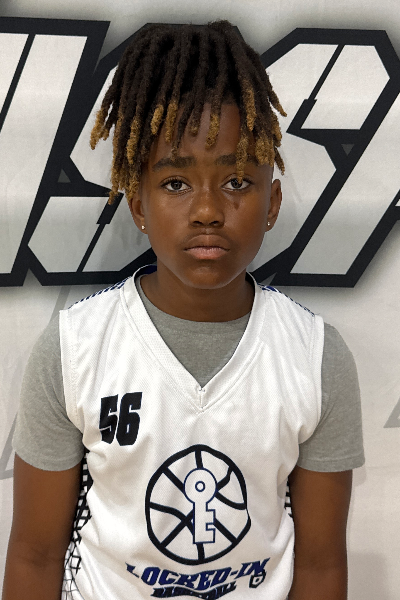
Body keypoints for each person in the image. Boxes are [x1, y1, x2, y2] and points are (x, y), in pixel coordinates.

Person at [3, 20, 364, 600]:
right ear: (137, 203)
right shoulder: (74, 349)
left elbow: (321, 567)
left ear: (272, 202)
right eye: (175, 183)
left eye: (237, 181)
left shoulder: (316, 357)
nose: (207, 211)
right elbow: (34, 554)